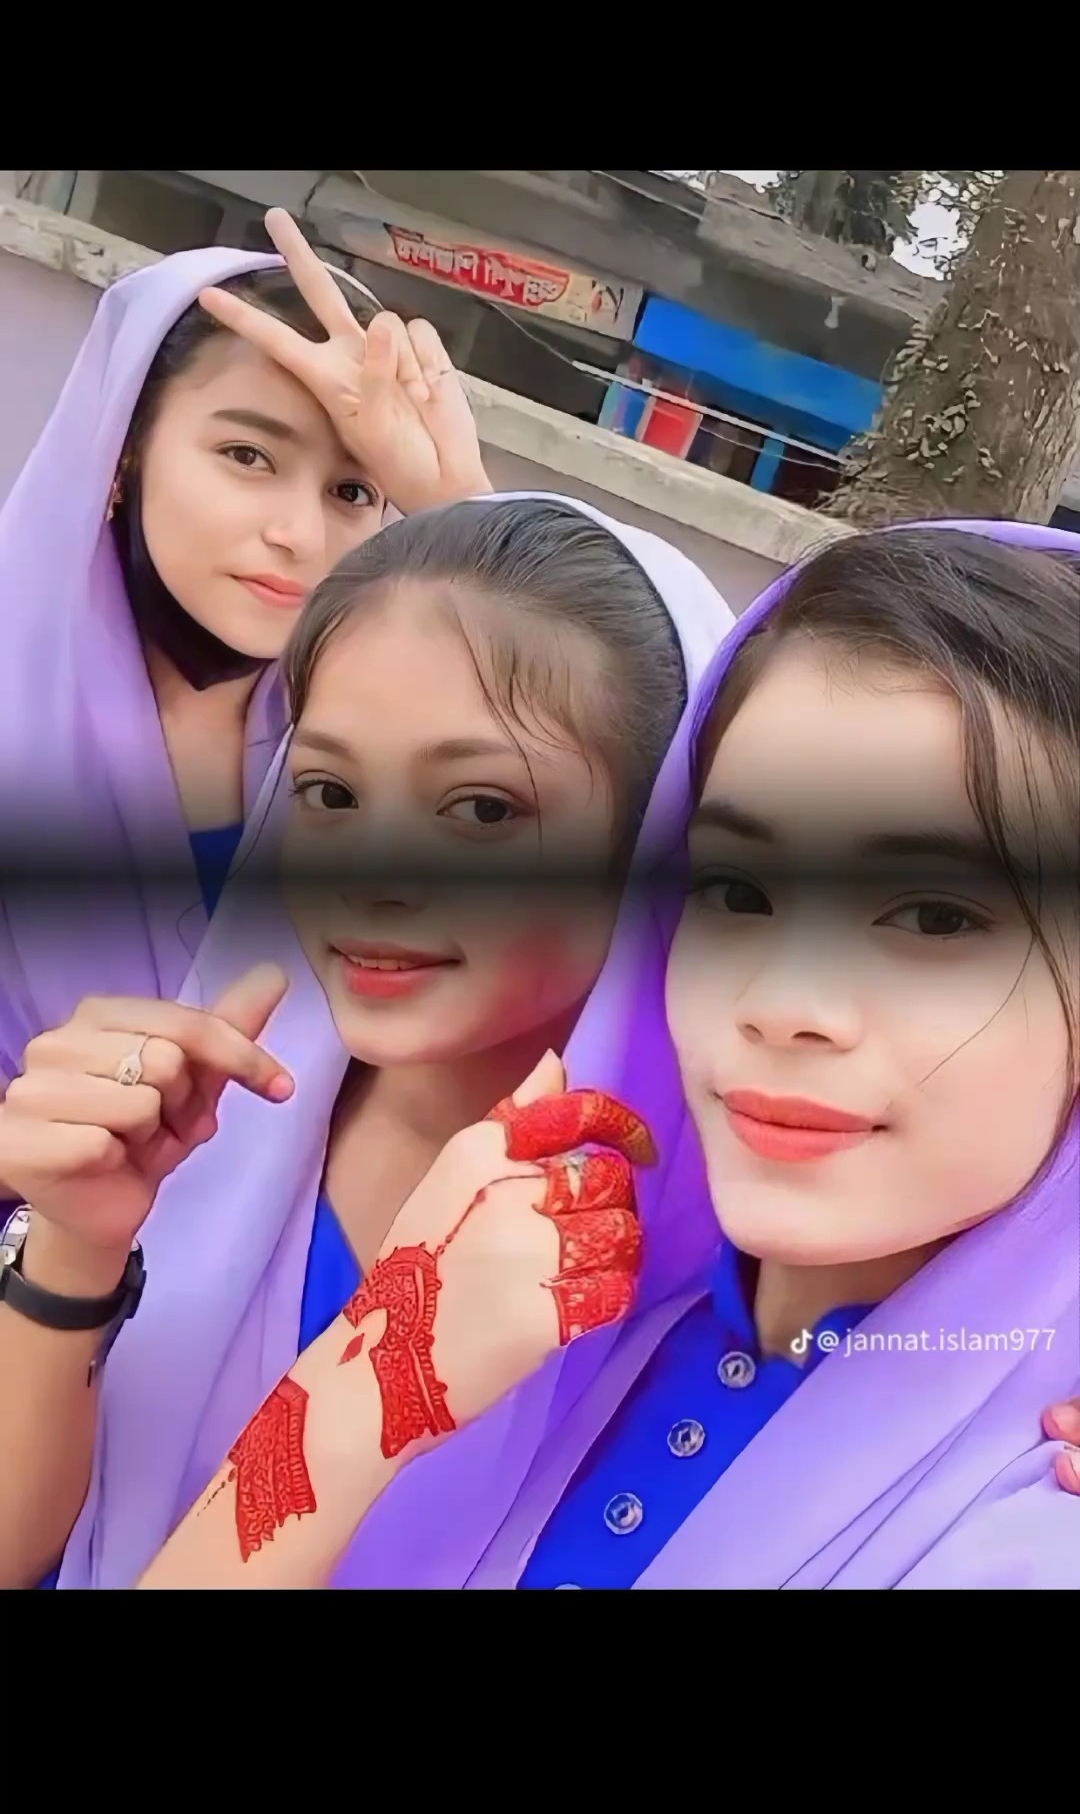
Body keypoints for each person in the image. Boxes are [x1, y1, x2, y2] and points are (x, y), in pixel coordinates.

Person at [143, 518, 1080, 1590]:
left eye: (934, 916)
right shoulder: (579, 1337)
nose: (783, 1004)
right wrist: (369, 1387)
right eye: (737, 890)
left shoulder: (1035, 1516)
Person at [0, 492, 733, 1589]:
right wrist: (71, 1248)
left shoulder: (710, 1261)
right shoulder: (203, 1127)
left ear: (655, 842)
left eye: (481, 809)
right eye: (330, 791)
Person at [0, 208, 490, 1088]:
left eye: (352, 491)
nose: (299, 534)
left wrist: (463, 508)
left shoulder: (369, 739)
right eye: (247, 455)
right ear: (123, 452)